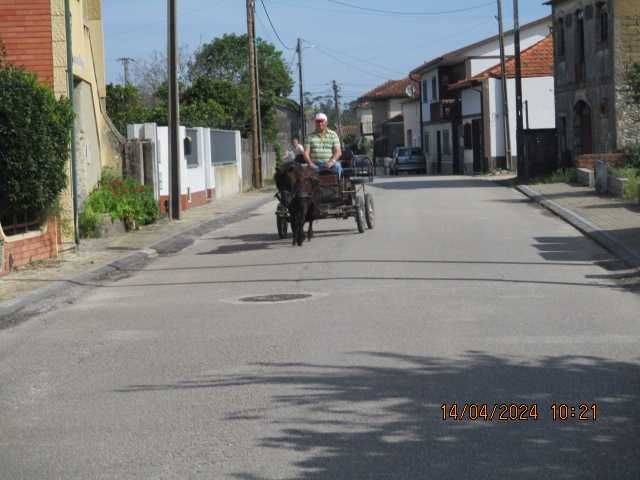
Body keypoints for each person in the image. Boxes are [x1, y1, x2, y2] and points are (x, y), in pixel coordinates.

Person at [304, 112, 342, 177]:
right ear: (315, 123)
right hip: (315, 164)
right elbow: (306, 153)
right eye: (318, 121)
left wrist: (331, 162)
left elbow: (338, 152)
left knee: (337, 166)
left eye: (322, 121)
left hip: (330, 164)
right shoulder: (309, 137)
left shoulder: (333, 135)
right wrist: (310, 163)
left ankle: (338, 186)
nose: (320, 123)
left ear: (326, 122)